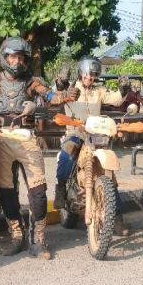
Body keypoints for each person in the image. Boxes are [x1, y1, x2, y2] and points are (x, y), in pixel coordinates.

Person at [0, 37, 75, 259]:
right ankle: (16, 235)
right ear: (5, 57)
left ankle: (39, 240)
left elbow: (50, 96)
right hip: (1, 139)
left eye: (21, 57)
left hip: (26, 138)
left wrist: (65, 95)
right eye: (13, 56)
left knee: (38, 191)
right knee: (7, 192)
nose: (17, 61)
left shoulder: (32, 81)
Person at [53, 57, 131, 235]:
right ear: (81, 73)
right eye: (87, 74)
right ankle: (60, 188)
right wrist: (61, 82)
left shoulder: (99, 91)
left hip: (96, 135)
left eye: (93, 75)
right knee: (66, 156)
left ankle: (117, 218)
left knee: (109, 176)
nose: (90, 78)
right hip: (76, 134)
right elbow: (58, 92)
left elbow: (116, 100)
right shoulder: (72, 88)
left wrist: (123, 88)